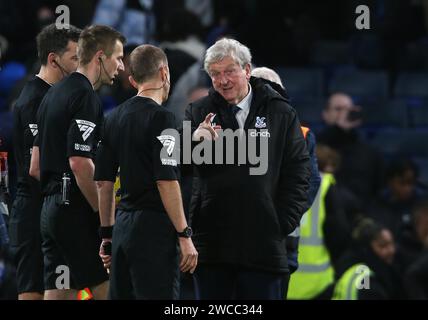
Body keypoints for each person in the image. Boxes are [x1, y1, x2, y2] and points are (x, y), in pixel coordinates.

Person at [184, 38, 311, 300]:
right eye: (215, 74)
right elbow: (174, 166)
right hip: (212, 244)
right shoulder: (198, 111)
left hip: (263, 245)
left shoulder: (281, 112)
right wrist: (193, 140)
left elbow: (298, 171)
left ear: (247, 69)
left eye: (229, 71)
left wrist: (280, 222)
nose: (223, 80)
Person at [30, 25, 126, 300]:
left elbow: (35, 166)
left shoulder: (52, 94)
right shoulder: (85, 95)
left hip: (50, 210)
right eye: (117, 58)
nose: (121, 66)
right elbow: (80, 162)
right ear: (99, 57)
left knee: (61, 292)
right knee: (109, 287)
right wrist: (102, 211)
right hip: (74, 208)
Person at [95, 44, 197, 299]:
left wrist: (107, 236)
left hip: (122, 228)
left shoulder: (113, 118)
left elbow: (104, 183)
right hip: (154, 229)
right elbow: (166, 180)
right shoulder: (164, 119)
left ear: (132, 80)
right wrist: (184, 235)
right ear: (164, 74)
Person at [9, 24, 81, 300]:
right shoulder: (34, 101)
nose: (80, 66)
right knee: (35, 293)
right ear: (53, 59)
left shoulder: (56, 98)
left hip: (49, 210)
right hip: (34, 213)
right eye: (75, 58)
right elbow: (37, 168)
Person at [250, 66, 322, 296]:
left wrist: (279, 220)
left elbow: (309, 184)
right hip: (240, 245)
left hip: (280, 245)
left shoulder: (300, 134)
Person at [318, 92, 384, 205]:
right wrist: (339, 128)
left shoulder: (369, 152)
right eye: (338, 109)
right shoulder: (315, 146)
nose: (344, 114)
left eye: (349, 109)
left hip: (358, 212)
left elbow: (377, 188)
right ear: (325, 114)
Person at [333, 218, 404, 300]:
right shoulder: (367, 283)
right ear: (368, 249)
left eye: (392, 243)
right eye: (383, 246)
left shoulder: (354, 271)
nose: (392, 250)